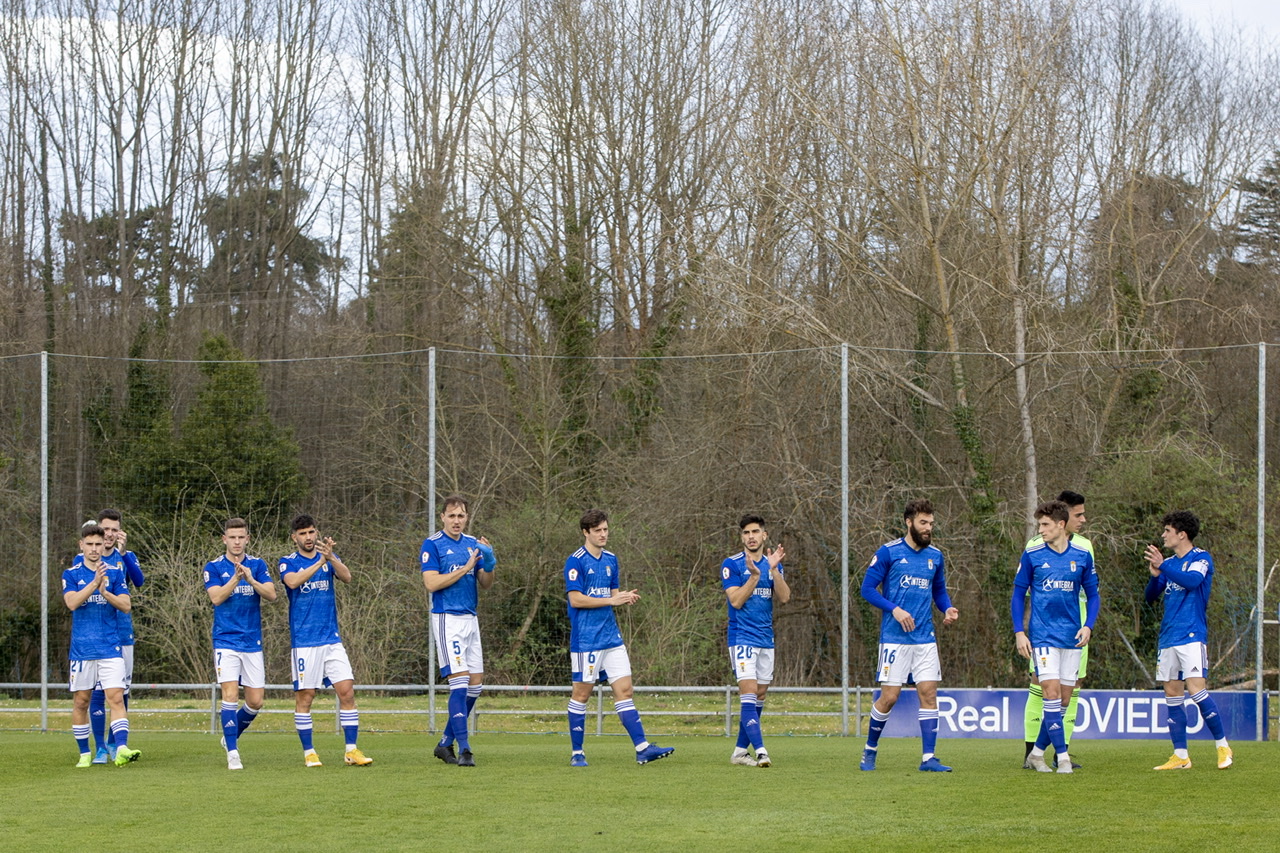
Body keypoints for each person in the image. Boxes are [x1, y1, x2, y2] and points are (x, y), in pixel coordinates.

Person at [564, 509, 674, 767]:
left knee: (625, 691)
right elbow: (575, 599)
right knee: (581, 694)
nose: (603, 534)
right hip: (586, 639)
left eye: (605, 529)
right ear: (585, 533)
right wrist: (611, 599)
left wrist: (623, 597)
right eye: (598, 531)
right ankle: (577, 752)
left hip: (611, 637)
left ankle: (642, 748)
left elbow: (611, 594)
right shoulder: (575, 561)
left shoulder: (612, 559)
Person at [858, 499, 959, 772]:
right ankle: (870, 750)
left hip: (925, 638)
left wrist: (947, 608)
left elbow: (939, 591)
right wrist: (895, 610)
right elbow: (867, 589)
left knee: (928, 693)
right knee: (889, 697)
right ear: (909, 522)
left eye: (931, 524)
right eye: (923, 523)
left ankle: (928, 758)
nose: (928, 528)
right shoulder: (889, 552)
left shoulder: (935, 556)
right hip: (894, 638)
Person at [1012, 500, 1099, 774]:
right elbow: (1017, 594)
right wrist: (1019, 632)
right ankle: (1062, 757)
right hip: (1044, 637)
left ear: (1061, 525)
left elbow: (1094, 595)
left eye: (1046, 525)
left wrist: (1088, 626)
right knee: (1049, 694)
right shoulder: (1033, 554)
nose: (1041, 530)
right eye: (1039, 525)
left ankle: (1037, 753)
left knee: (1062, 700)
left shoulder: (1082, 556)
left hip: (1072, 637)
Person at [279, 514, 373, 767]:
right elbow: (293, 582)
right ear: (294, 537)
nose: (308, 537)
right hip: (305, 642)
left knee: (347, 692)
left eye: (311, 532)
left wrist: (330, 558)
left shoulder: (328, 557)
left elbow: (348, 577)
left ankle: (351, 751)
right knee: (306, 697)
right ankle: (309, 752)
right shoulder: (287, 562)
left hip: (331, 639)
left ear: (316, 532)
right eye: (303, 534)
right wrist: (320, 561)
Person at [1145, 511, 1233, 770]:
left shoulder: (1201, 558)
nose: (1163, 535)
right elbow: (1151, 597)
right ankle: (1181, 756)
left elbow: (1193, 582)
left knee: (1196, 689)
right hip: (1168, 636)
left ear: (1181, 534)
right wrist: (1154, 575)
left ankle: (1223, 746)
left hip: (1192, 634)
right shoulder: (1169, 563)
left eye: (1167, 531)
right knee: (1172, 694)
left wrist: (1164, 566)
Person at [420, 495, 496, 768]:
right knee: (460, 683)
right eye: (451, 516)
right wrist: (464, 568)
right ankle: (464, 749)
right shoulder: (433, 544)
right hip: (447, 619)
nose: (456, 520)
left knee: (475, 686)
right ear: (442, 517)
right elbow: (431, 583)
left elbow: (485, 584)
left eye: (461, 516)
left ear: (467, 517)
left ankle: (444, 743)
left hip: (470, 618)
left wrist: (488, 562)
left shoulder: (472, 544)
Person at [62, 523, 140, 767]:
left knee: (116, 698)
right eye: (90, 544)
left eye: (98, 544)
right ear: (81, 546)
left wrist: (106, 592)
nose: (95, 549)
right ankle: (85, 752)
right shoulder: (71, 574)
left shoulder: (115, 573)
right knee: (81, 701)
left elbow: (126, 605)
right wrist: (94, 584)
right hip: (83, 651)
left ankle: (122, 748)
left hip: (110, 648)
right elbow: (72, 603)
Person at [203, 517, 277, 770]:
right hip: (225, 640)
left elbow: (272, 594)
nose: (236, 542)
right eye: (231, 537)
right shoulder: (213, 567)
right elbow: (216, 598)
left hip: (252, 641)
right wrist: (235, 579)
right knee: (230, 695)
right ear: (224, 539)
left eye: (241, 537)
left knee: (256, 701)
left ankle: (229, 737)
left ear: (247, 539)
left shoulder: (257, 565)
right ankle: (233, 753)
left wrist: (251, 580)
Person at [722, 514, 789, 767]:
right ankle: (761, 751)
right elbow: (736, 601)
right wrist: (754, 575)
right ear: (742, 537)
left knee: (759, 694)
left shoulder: (773, 564)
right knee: (748, 692)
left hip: (766, 639)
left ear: (764, 535)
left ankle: (740, 751)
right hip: (742, 638)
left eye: (755, 532)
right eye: (746, 533)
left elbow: (784, 598)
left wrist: (773, 570)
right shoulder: (732, 564)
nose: (751, 536)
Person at [87, 509, 145, 763]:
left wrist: (123, 553)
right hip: (97, 636)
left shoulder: (126, 556)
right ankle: (99, 747)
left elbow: (139, 581)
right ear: (99, 529)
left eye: (114, 529)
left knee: (121, 691)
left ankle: (115, 744)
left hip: (123, 634)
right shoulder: (87, 559)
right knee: (97, 691)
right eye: (105, 529)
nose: (109, 534)